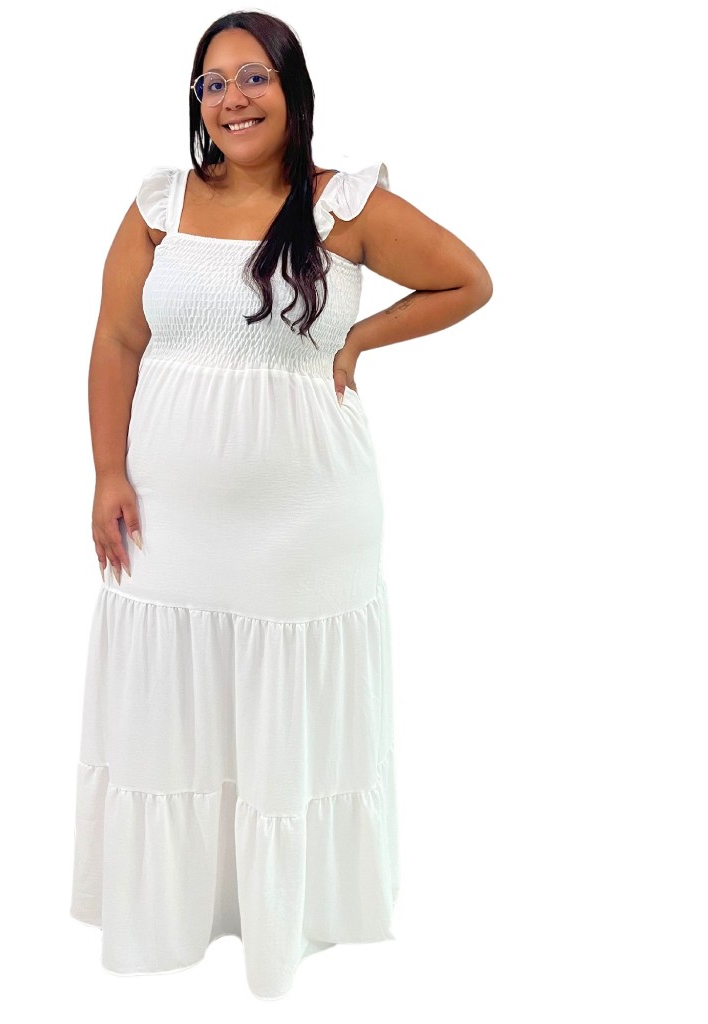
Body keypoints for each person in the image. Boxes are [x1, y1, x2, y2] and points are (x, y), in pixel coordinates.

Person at [70, 10, 492, 1001]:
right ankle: (183, 909)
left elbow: (466, 281)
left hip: (306, 521)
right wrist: (106, 472)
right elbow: (117, 340)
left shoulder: (342, 205)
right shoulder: (160, 204)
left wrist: (360, 339)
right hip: (171, 517)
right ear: (198, 104)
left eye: (252, 77)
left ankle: (288, 919)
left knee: (282, 708)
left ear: (293, 89)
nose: (233, 99)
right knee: (170, 707)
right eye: (212, 83)